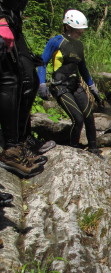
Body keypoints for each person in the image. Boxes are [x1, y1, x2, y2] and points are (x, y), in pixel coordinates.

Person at [37, 9, 101, 155]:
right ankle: (73, 149)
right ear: (68, 27)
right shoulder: (56, 42)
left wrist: (92, 87)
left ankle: (93, 149)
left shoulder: (79, 46)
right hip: (60, 87)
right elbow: (42, 63)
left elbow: (83, 68)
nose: (80, 33)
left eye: (81, 31)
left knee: (89, 116)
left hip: (75, 85)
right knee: (78, 119)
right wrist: (41, 84)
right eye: (78, 31)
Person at [0, 0, 50, 178]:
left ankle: (20, 142)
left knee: (29, 81)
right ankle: (12, 148)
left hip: (13, 18)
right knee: (10, 80)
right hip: (3, 17)